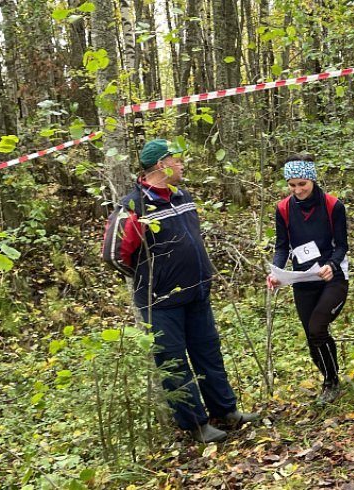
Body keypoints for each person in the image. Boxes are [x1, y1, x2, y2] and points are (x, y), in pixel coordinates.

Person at [102, 139, 255, 443]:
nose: (182, 164)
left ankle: (226, 411)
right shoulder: (133, 207)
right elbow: (113, 255)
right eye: (177, 159)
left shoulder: (181, 195)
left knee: (209, 354)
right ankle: (196, 425)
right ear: (161, 164)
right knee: (174, 364)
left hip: (197, 294)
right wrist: (153, 279)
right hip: (160, 303)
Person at [267, 156, 349, 403]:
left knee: (317, 327)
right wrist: (276, 271)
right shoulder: (283, 209)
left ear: (312, 179)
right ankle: (330, 375)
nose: (298, 190)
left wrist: (331, 265)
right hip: (302, 279)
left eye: (302, 183)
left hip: (332, 277)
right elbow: (282, 246)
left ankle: (331, 383)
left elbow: (342, 245)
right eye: (292, 185)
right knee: (312, 335)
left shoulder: (333, 205)